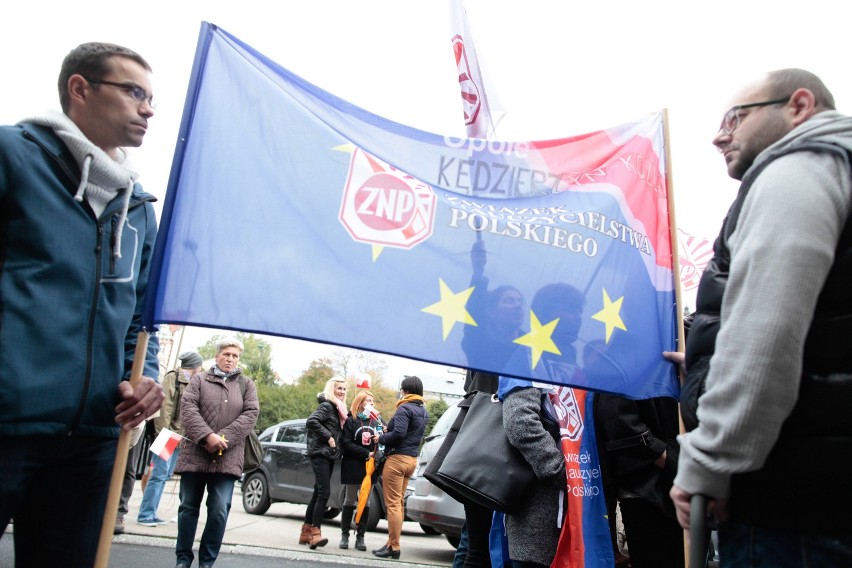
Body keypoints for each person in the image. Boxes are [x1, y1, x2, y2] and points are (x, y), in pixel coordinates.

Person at [667, 69, 852, 566]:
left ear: (799, 105)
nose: (718, 134)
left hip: (793, 509)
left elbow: (764, 340)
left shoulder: (800, 169)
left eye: (735, 117)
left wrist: (707, 463)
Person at [0, 42, 164, 566]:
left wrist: (145, 378)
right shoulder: (12, 156)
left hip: (93, 437)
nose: (148, 108)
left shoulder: (138, 207)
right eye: (133, 91)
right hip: (8, 420)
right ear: (80, 89)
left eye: (151, 96)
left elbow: (141, 317)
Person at [174, 338, 259, 568]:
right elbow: (188, 409)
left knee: (220, 510)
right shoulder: (199, 380)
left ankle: (207, 563)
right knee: (188, 508)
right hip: (195, 453)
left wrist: (222, 438)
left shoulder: (246, 384)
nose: (230, 359)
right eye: (227, 354)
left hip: (227, 458)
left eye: (235, 356)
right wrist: (207, 436)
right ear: (217, 355)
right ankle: (183, 559)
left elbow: (251, 415)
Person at [137, 351, 204, 526]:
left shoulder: (192, 381)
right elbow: (164, 407)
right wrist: (163, 434)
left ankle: (150, 513)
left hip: (180, 436)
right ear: (195, 365)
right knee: (158, 475)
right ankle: (145, 514)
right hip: (167, 435)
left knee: (164, 475)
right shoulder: (172, 378)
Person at [373, 375, 428, 560]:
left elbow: (399, 434)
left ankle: (394, 547)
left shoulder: (404, 408)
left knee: (393, 505)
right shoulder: (423, 410)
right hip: (411, 461)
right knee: (399, 504)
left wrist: (380, 438)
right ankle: (390, 543)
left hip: (397, 461)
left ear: (405, 391)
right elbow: (409, 433)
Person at [302, 376, 348, 549]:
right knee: (324, 493)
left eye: (344, 389)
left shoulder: (339, 409)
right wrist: (328, 437)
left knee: (318, 493)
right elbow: (311, 421)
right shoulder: (327, 405)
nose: (342, 392)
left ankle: (305, 532)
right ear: (332, 389)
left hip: (328, 455)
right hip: (320, 453)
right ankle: (315, 533)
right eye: (339, 388)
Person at [339, 389, 382, 551]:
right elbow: (346, 443)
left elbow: (381, 443)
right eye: (368, 400)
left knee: (366, 501)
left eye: (373, 401)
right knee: (350, 500)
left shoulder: (377, 422)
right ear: (360, 402)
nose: (371, 403)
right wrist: (366, 452)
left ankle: (360, 537)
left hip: (370, 468)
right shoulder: (352, 421)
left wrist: (382, 437)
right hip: (353, 465)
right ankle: (345, 535)